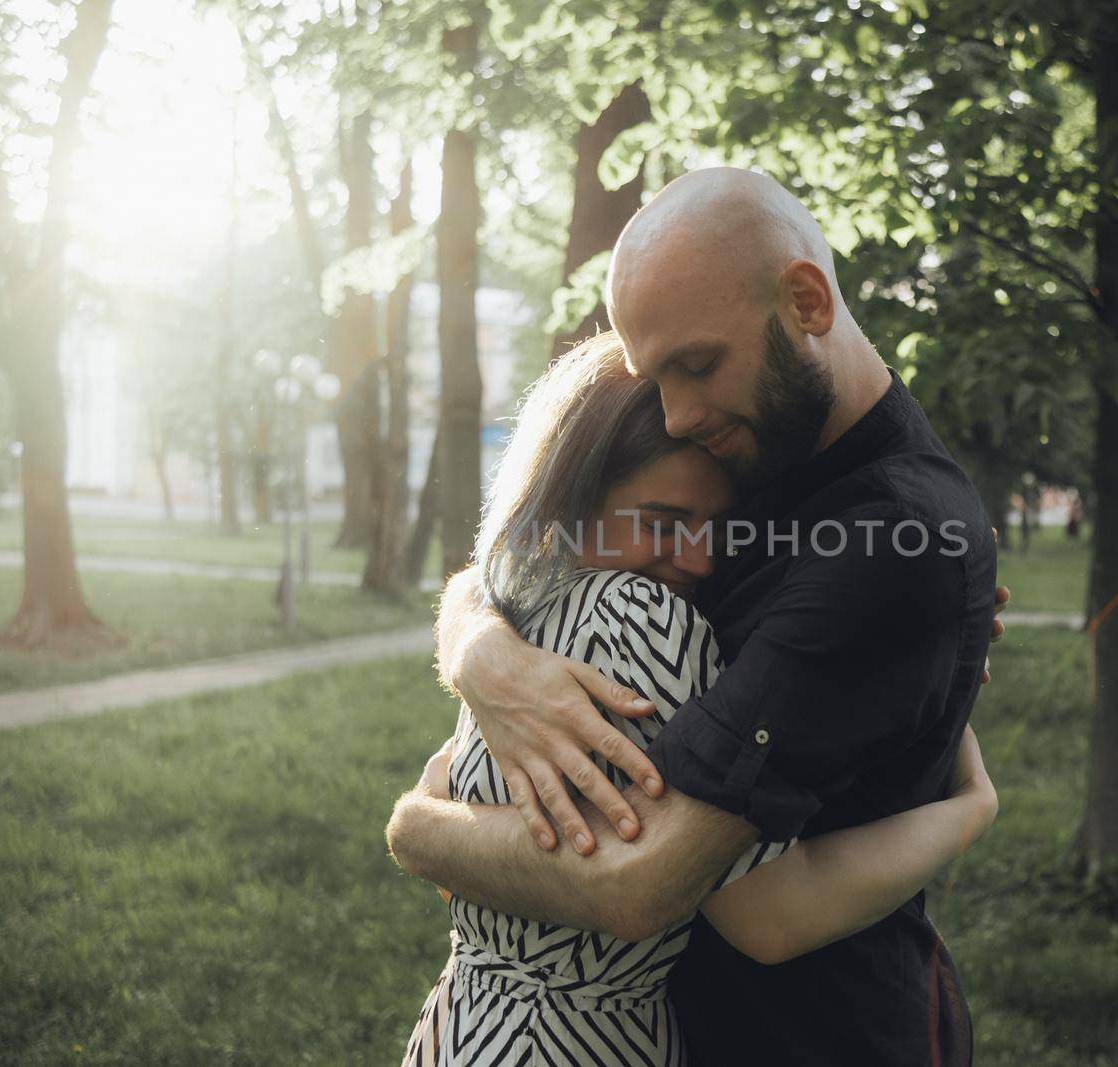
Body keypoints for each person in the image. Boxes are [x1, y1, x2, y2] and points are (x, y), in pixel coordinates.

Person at [389, 167, 1004, 1065]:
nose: (676, 412)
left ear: (806, 300)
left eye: (697, 364)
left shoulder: (885, 537)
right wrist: (482, 647)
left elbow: (650, 886)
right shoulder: (766, 449)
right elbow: (534, 548)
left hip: (808, 1039)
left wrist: (417, 827)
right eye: (656, 375)